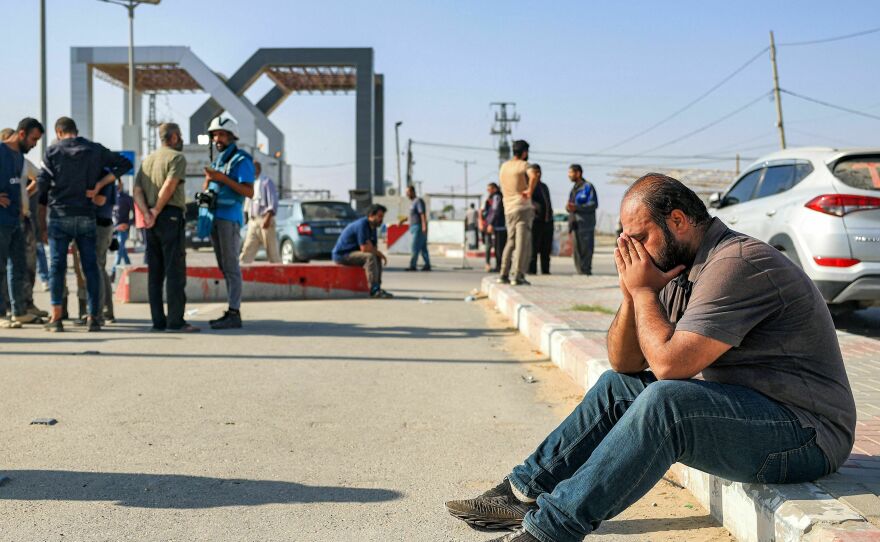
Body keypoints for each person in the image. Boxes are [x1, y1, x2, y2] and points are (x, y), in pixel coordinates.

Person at [446, 173, 856, 542]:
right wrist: (631, 293)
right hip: (756, 416)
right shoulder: (677, 267)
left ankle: (549, 533)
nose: (633, 250)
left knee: (668, 404)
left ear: (677, 220)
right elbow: (625, 364)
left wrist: (644, 293)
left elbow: (670, 367)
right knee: (618, 387)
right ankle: (520, 492)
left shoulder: (737, 263)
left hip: (807, 435)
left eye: (640, 237)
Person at [38, 116, 131, 332]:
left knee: (57, 267)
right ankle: (93, 317)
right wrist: (100, 184)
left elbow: (43, 183)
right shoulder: (95, 149)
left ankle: (57, 318)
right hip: (87, 216)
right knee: (90, 268)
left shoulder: (52, 151)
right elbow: (125, 164)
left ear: (58, 132)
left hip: (60, 215)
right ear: (76, 130)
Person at [134, 122, 199, 333]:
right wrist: (157, 210)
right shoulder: (177, 158)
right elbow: (170, 185)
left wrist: (147, 213)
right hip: (169, 215)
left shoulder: (147, 161)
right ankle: (175, 322)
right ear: (172, 138)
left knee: (155, 272)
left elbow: (136, 191)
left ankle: (158, 321)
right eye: (178, 136)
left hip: (150, 221)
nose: (180, 140)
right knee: (175, 271)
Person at [200, 117, 255, 330]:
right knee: (224, 266)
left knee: (231, 267)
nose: (217, 138)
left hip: (229, 218)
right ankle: (231, 310)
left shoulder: (242, 160)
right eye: (214, 135)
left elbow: (249, 191)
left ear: (231, 136)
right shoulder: (219, 160)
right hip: (215, 216)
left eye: (221, 134)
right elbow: (213, 183)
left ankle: (234, 312)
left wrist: (221, 178)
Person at [0, 119, 44, 328]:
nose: (35, 144)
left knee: (18, 266)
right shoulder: (1, 152)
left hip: (16, 220)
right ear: (22, 133)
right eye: (34, 139)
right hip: (1, 221)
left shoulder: (20, 157)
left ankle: (18, 311)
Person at [498, 140, 538, 286]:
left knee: (510, 241)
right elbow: (534, 175)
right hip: (522, 208)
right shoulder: (524, 165)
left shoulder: (504, 167)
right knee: (522, 243)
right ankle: (518, 275)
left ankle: (503, 273)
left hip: (508, 209)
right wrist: (529, 190)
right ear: (525, 152)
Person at [332, 204, 392, 298]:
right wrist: (378, 252)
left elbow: (373, 247)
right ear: (371, 215)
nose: (381, 219)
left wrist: (376, 252)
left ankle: (378, 287)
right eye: (380, 216)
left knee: (376, 256)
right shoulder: (362, 225)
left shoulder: (373, 227)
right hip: (343, 254)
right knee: (370, 257)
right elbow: (364, 248)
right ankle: (373, 289)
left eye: (382, 217)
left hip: (354, 253)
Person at [239, 161, 280, 264]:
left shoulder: (266, 182)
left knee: (272, 252)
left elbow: (273, 202)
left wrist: (268, 218)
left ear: (258, 169)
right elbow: (248, 203)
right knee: (246, 251)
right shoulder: (250, 183)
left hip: (265, 220)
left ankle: (278, 274)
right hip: (253, 222)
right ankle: (241, 275)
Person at [566, 164, 598, 275]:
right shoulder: (574, 189)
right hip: (575, 224)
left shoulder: (588, 187)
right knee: (576, 251)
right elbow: (570, 205)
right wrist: (568, 207)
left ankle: (586, 272)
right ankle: (580, 273)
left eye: (571, 173)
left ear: (578, 173)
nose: (569, 175)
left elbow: (593, 204)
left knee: (586, 249)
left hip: (586, 224)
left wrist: (577, 207)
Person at [527, 164, 553, 275]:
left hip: (547, 222)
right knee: (533, 248)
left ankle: (545, 270)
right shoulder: (528, 187)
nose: (538, 174)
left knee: (546, 249)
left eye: (539, 172)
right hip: (535, 222)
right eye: (535, 172)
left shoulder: (544, 186)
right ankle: (531, 271)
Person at [401, 185, 430, 271]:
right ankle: (427, 264)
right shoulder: (413, 203)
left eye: (408, 192)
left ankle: (412, 265)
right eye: (406, 193)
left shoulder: (418, 201)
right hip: (414, 227)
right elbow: (411, 215)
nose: (407, 194)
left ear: (413, 192)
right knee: (423, 247)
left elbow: (422, 214)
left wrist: (424, 226)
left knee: (414, 246)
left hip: (418, 227)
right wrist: (402, 220)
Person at [111, 177, 134, 282]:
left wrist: (128, 224)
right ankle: (131, 269)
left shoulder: (127, 198)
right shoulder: (110, 196)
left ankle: (113, 273)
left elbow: (136, 215)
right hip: (112, 229)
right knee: (122, 251)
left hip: (123, 229)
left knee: (118, 251)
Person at [484, 182, 506, 273]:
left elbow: (495, 210)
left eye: (489, 189)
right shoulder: (493, 197)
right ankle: (499, 266)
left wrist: (491, 224)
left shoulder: (496, 197)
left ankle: (500, 267)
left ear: (494, 189)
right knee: (498, 248)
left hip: (498, 226)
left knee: (499, 249)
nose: (488, 192)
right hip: (497, 226)